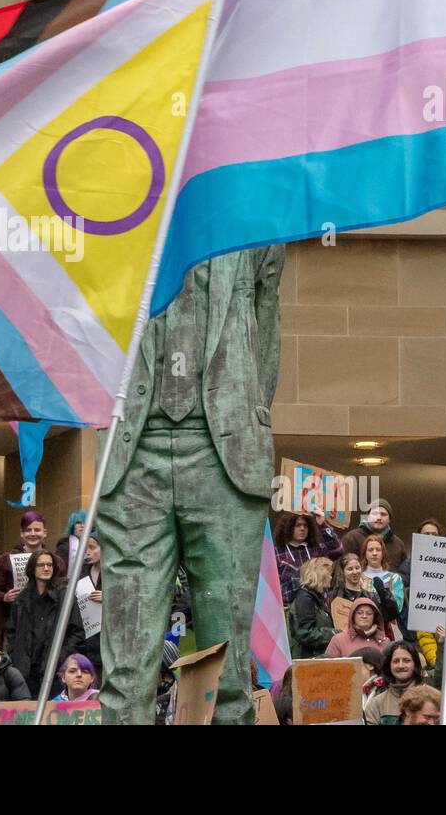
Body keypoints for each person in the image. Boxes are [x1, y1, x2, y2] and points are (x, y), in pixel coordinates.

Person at [98, 247, 285, 726]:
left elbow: (266, 323)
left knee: (229, 677)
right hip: (134, 450)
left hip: (222, 452)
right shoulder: (118, 209)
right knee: (126, 673)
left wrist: (247, 417)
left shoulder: (246, 209)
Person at [5, 548, 85, 696]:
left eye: (50, 564)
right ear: (32, 569)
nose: (46, 568)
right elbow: (11, 632)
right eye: (41, 565)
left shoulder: (65, 597)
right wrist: (16, 655)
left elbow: (77, 632)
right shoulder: (21, 600)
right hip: (26, 672)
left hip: (54, 671)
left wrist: (61, 657)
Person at [0, 511, 63, 646]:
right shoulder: (5, 560)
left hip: (48, 626)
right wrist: (5, 597)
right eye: (28, 530)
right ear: (21, 533)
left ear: (45, 533)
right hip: (16, 625)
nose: (33, 533)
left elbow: (63, 589)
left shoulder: (57, 562)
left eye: (37, 529)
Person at [274, 510, 342, 606]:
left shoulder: (317, 549)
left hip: (317, 607)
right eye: (298, 525)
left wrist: (322, 524)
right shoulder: (276, 553)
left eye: (305, 525)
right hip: (288, 609)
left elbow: (338, 551)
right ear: (288, 527)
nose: (302, 528)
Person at [330, 553, 398, 637]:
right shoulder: (336, 595)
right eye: (350, 569)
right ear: (343, 571)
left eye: (357, 568)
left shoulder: (371, 596)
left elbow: (389, 616)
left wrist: (384, 594)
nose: (354, 572)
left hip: (369, 640)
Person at [363, 641, 426, 725]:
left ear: (415, 664)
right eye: (396, 661)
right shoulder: (376, 704)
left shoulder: (429, 699)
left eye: (406, 661)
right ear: (389, 666)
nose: (401, 665)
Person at [340, 499, 407, 571]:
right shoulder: (352, 538)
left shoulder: (398, 544)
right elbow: (340, 567)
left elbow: (405, 572)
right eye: (375, 514)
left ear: (389, 519)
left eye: (383, 514)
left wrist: (395, 579)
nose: (379, 518)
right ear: (368, 516)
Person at [291, 557, 338, 658]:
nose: (331, 578)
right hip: (309, 659)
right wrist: (335, 633)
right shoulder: (305, 599)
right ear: (321, 575)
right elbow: (304, 633)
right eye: (329, 574)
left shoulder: (315, 598)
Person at [75, 532, 103, 678]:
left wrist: (109, 598)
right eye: (85, 548)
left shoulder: (115, 574)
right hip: (86, 641)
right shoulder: (81, 573)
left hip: (108, 642)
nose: (87, 552)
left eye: (92, 547)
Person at [324, 596, 389, 658]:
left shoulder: (384, 641)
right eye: (359, 613)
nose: (364, 616)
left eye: (369, 613)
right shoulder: (338, 640)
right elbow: (327, 666)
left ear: (374, 617)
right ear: (353, 616)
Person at [361, 534, 405, 617]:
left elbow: (398, 608)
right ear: (365, 553)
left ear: (383, 553)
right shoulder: (358, 578)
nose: (374, 553)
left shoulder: (394, 578)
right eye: (370, 550)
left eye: (378, 550)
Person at [56, 510, 87, 575]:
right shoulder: (64, 547)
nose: (82, 525)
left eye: (85, 522)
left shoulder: (94, 545)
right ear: (72, 526)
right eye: (78, 523)